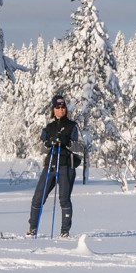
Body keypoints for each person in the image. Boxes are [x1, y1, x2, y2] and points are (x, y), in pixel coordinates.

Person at [28, 94, 80, 237]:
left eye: (63, 107)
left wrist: (66, 142)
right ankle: (32, 228)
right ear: (53, 109)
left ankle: (64, 231)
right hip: (50, 164)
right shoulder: (49, 127)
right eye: (57, 107)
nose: (60, 110)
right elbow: (41, 148)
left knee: (64, 199)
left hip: (66, 165)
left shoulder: (72, 126)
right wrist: (48, 143)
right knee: (38, 197)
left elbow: (79, 147)